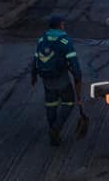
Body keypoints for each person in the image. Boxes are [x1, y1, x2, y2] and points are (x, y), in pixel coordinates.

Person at [29, 13, 87, 147]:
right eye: (63, 24)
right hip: (62, 80)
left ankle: (53, 134)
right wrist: (78, 78)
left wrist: (33, 75)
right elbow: (73, 62)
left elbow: (35, 58)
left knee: (51, 105)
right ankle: (56, 128)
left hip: (46, 80)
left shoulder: (42, 40)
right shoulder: (64, 41)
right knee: (69, 103)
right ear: (60, 25)